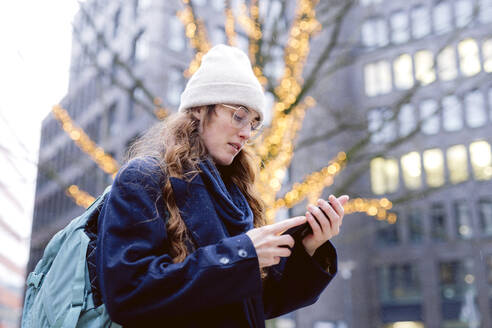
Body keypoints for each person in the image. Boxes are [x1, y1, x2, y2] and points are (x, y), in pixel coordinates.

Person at [93, 44, 349, 327]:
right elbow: (129, 296)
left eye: (253, 124)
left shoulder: (237, 197)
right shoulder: (144, 178)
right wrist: (242, 254)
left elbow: (260, 304)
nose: (246, 133)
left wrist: (310, 248)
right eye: (239, 115)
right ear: (201, 109)